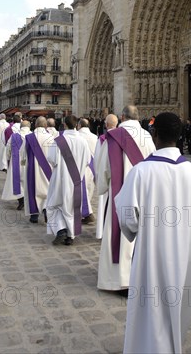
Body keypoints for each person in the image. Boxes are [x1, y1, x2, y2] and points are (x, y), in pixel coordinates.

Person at [115, 112, 191, 354]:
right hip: (185, 254)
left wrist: (142, 232)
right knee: (178, 307)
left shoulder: (140, 172)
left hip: (152, 253)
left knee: (150, 308)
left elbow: (127, 218)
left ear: (154, 134)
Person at [96, 105, 155, 292]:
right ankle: (139, 276)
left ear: (122, 117)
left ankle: (119, 279)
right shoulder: (147, 137)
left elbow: (104, 169)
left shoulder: (113, 137)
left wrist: (103, 187)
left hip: (119, 192)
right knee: (140, 234)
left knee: (118, 235)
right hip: (143, 193)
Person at [46, 115, 91, 246]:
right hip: (76, 180)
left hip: (60, 178)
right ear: (77, 125)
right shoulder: (83, 141)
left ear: (64, 125)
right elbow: (88, 160)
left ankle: (60, 230)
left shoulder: (58, 140)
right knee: (72, 208)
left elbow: (52, 159)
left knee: (54, 205)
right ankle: (71, 236)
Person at [24, 116, 54, 224]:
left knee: (33, 190)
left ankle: (34, 216)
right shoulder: (51, 138)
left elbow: (23, 154)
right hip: (48, 169)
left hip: (33, 168)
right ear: (45, 125)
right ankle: (46, 210)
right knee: (47, 191)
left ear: (35, 125)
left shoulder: (29, 137)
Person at [94, 113, 119, 239]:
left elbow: (98, 161)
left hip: (107, 179)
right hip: (120, 178)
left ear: (106, 124)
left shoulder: (104, 139)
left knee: (105, 204)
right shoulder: (124, 138)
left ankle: (103, 231)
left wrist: (98, 178)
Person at [1, 120, 31, 210]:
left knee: (17, 182)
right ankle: (28, 200)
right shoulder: (33, 136)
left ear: (21, 127)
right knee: (28, 181)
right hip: (30, 162)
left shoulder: (14, 136)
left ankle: (21, 200)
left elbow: (8, 148)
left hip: (16, 162)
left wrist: (8, 159)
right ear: (29, 127)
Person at [77, 117, 98, 224]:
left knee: (81, 191)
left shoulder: (77, 136)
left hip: (80, 166)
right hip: (93, 167)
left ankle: (87, 213)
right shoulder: (95, 137)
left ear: (79, 125)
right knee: (89, 190)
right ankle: (86, 213)